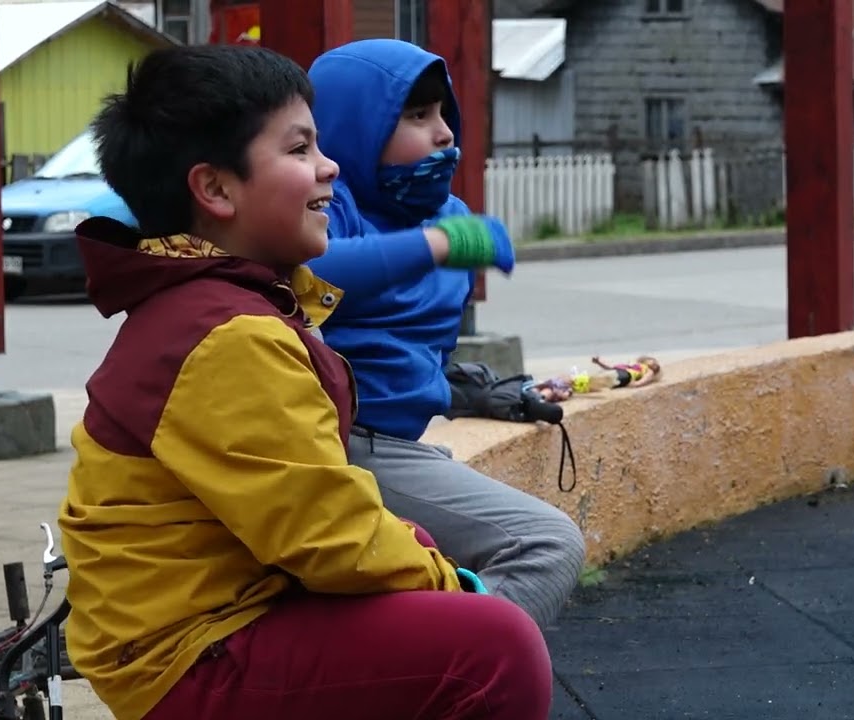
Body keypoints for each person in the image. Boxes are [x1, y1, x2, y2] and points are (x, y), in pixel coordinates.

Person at [56, 45, 553, 720]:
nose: (329, 166)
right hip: (193, 653)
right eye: (299, 149)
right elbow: (328, 537)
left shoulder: (223, 303)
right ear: (215, 190)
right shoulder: (228, 334)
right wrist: (451, 585)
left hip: (215, 617)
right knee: (493, 646)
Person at [306, 38, 587, 629]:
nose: (444, 135)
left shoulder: (448, 215)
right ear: (355, 126)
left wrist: (467, 388)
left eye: (443, 114)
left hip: (399, 442)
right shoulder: (329, 203)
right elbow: (312, 272)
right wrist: (434, 246)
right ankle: (466, 664)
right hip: (341, 445)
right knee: (547, 545)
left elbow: (407, 348)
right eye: (416, 115)